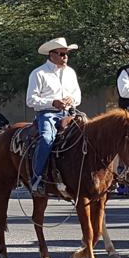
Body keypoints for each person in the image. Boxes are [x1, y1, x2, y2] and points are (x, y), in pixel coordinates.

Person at [26, 37, 82, 194]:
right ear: (51, 54)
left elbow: (78, 96)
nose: (65, 57)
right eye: (61, 54)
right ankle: (37, 179)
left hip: (70, 112)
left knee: (89, 134)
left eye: (66, 54)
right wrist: (53, 102)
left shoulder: (71, 72)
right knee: (47, 139)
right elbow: (31, 100)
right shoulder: (39, 73)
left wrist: (72, 99)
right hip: (47, 114)